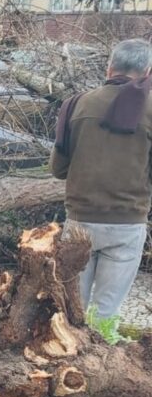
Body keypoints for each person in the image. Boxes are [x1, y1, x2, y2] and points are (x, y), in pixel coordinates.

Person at [51, 39, 152, 328]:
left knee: (72, 311)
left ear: (109, 67)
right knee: (104, 315)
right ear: (147, 71)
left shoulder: (75, 104)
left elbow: (58, 169)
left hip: (80, 222)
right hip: (127, 225)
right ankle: (100, 364)